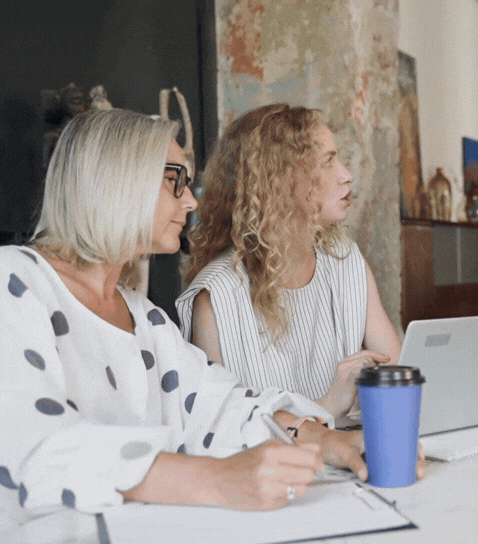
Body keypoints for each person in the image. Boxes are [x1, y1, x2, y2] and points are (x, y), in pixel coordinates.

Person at [0, 108, 371, 525]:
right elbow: (30, 443)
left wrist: (320, 440)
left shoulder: (143, 317)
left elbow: (221, 406)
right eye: (174, 178)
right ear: (119, 177)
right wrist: (217, 480)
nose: (192, 201)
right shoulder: (12, 280)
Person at [176, 104, 401, 418]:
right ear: (279, 181)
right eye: (328, 163)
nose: (347, 176)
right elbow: (218, 428)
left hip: (348, 447)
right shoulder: (216, 297)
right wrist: (327, 405)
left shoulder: (344, 258)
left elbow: (399, 370)